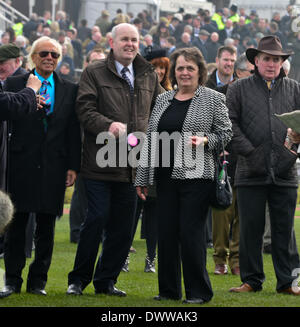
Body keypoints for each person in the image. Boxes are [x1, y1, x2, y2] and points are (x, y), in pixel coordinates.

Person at [67, 23, 162, 296]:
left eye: (134, 40)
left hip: (133, 166)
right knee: (95, 220)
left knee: (123, 229)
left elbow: (158, 111)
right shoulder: (93, 72)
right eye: (124, 40)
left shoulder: (148, 74)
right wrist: (108, 125)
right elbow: (83, 109)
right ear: (111, 42)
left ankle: (106, 281)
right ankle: (78, 280)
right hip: (99, 163)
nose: (130, 44)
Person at [135, 47, 232, 304]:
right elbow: (151, 140)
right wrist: (142, 177)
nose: (185, 72)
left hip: (197, 176)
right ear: (173, 72)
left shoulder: (212, 98)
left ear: (200, 71)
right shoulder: (163, 100)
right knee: (166, 233)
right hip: (165, 178)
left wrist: (205, 139)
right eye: (180, 68)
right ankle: (169, 291)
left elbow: (226, 134)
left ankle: (198, 293)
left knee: (190, 235)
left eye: (190, 68)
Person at [0, 36, 81, 298]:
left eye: (55, 55)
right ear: (33, 57)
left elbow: (72, 129)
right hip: (21, 162)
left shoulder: (69, 88)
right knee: (17, 224)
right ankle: (12, 280)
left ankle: (38, 282)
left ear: (60, 60)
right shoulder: (15, 83)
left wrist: (72, 166)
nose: (49, 58)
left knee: (47, 227)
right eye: (44, 53)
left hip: (54, 165)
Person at [227, 36, 300, 295]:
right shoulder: (238, 89)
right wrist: (251, 153)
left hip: (286, 170)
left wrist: (294, 146)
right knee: (250, 230)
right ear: (255, 61)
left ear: (282, 63)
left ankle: (290, 283)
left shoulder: (294, 88)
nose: (271, 63)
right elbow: (230, 126)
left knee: (285, 232)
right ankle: (251, 281)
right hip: (249, 171)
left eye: (276, 59)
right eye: (267, 59)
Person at [211, 53, 254, 276]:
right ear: (239, 73)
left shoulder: (255, 97)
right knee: (222, 212)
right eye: (250, 72)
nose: (254, 76)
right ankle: (220, 258)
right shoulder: (219, 95)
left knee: (242, 214)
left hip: (247, 162)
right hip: (224, 163)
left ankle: (237, 260)